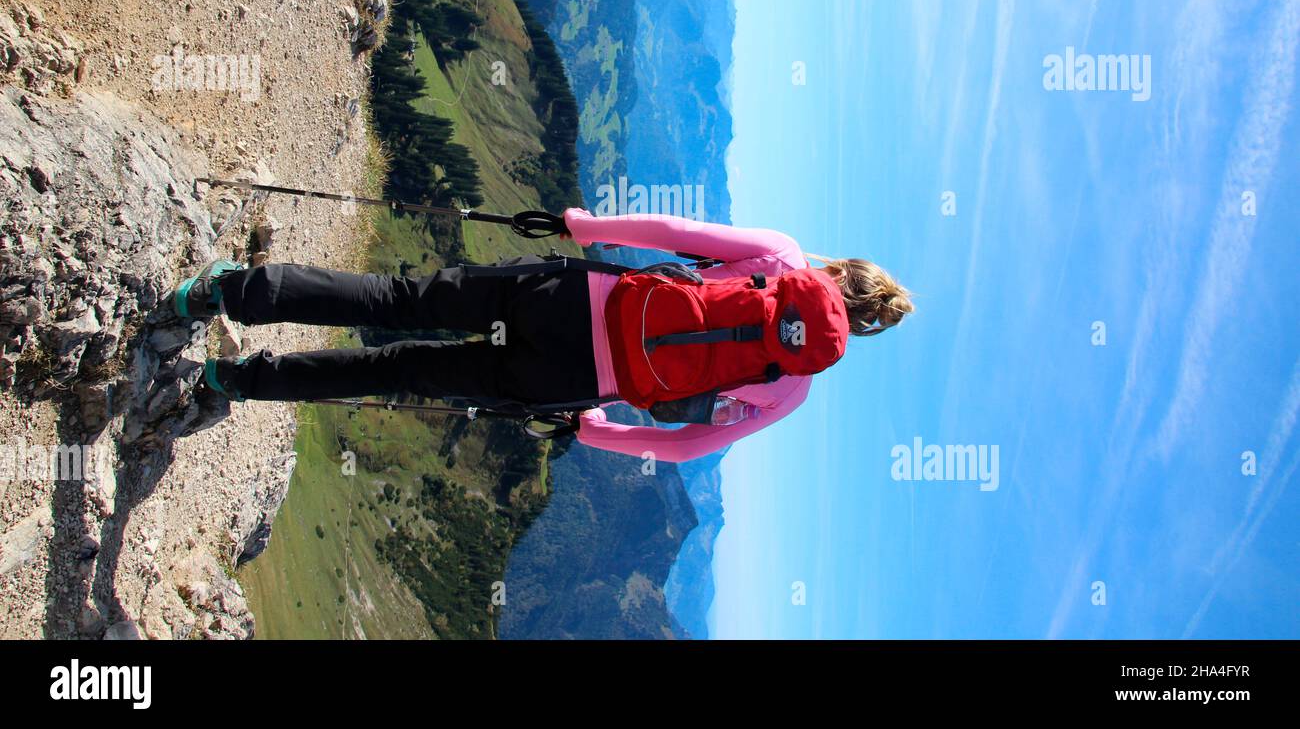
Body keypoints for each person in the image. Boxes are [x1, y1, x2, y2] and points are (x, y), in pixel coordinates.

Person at [174, 207, 913, 462]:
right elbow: (684, 442)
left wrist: (583, 227)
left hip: (565, 297)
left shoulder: (782, 259)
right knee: (400, 370)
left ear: (840, 268)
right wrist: (593, 431)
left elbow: (676, 232)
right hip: (568, 384)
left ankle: (226, 292)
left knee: (396, 298)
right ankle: (237, 381)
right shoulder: (792, 388)